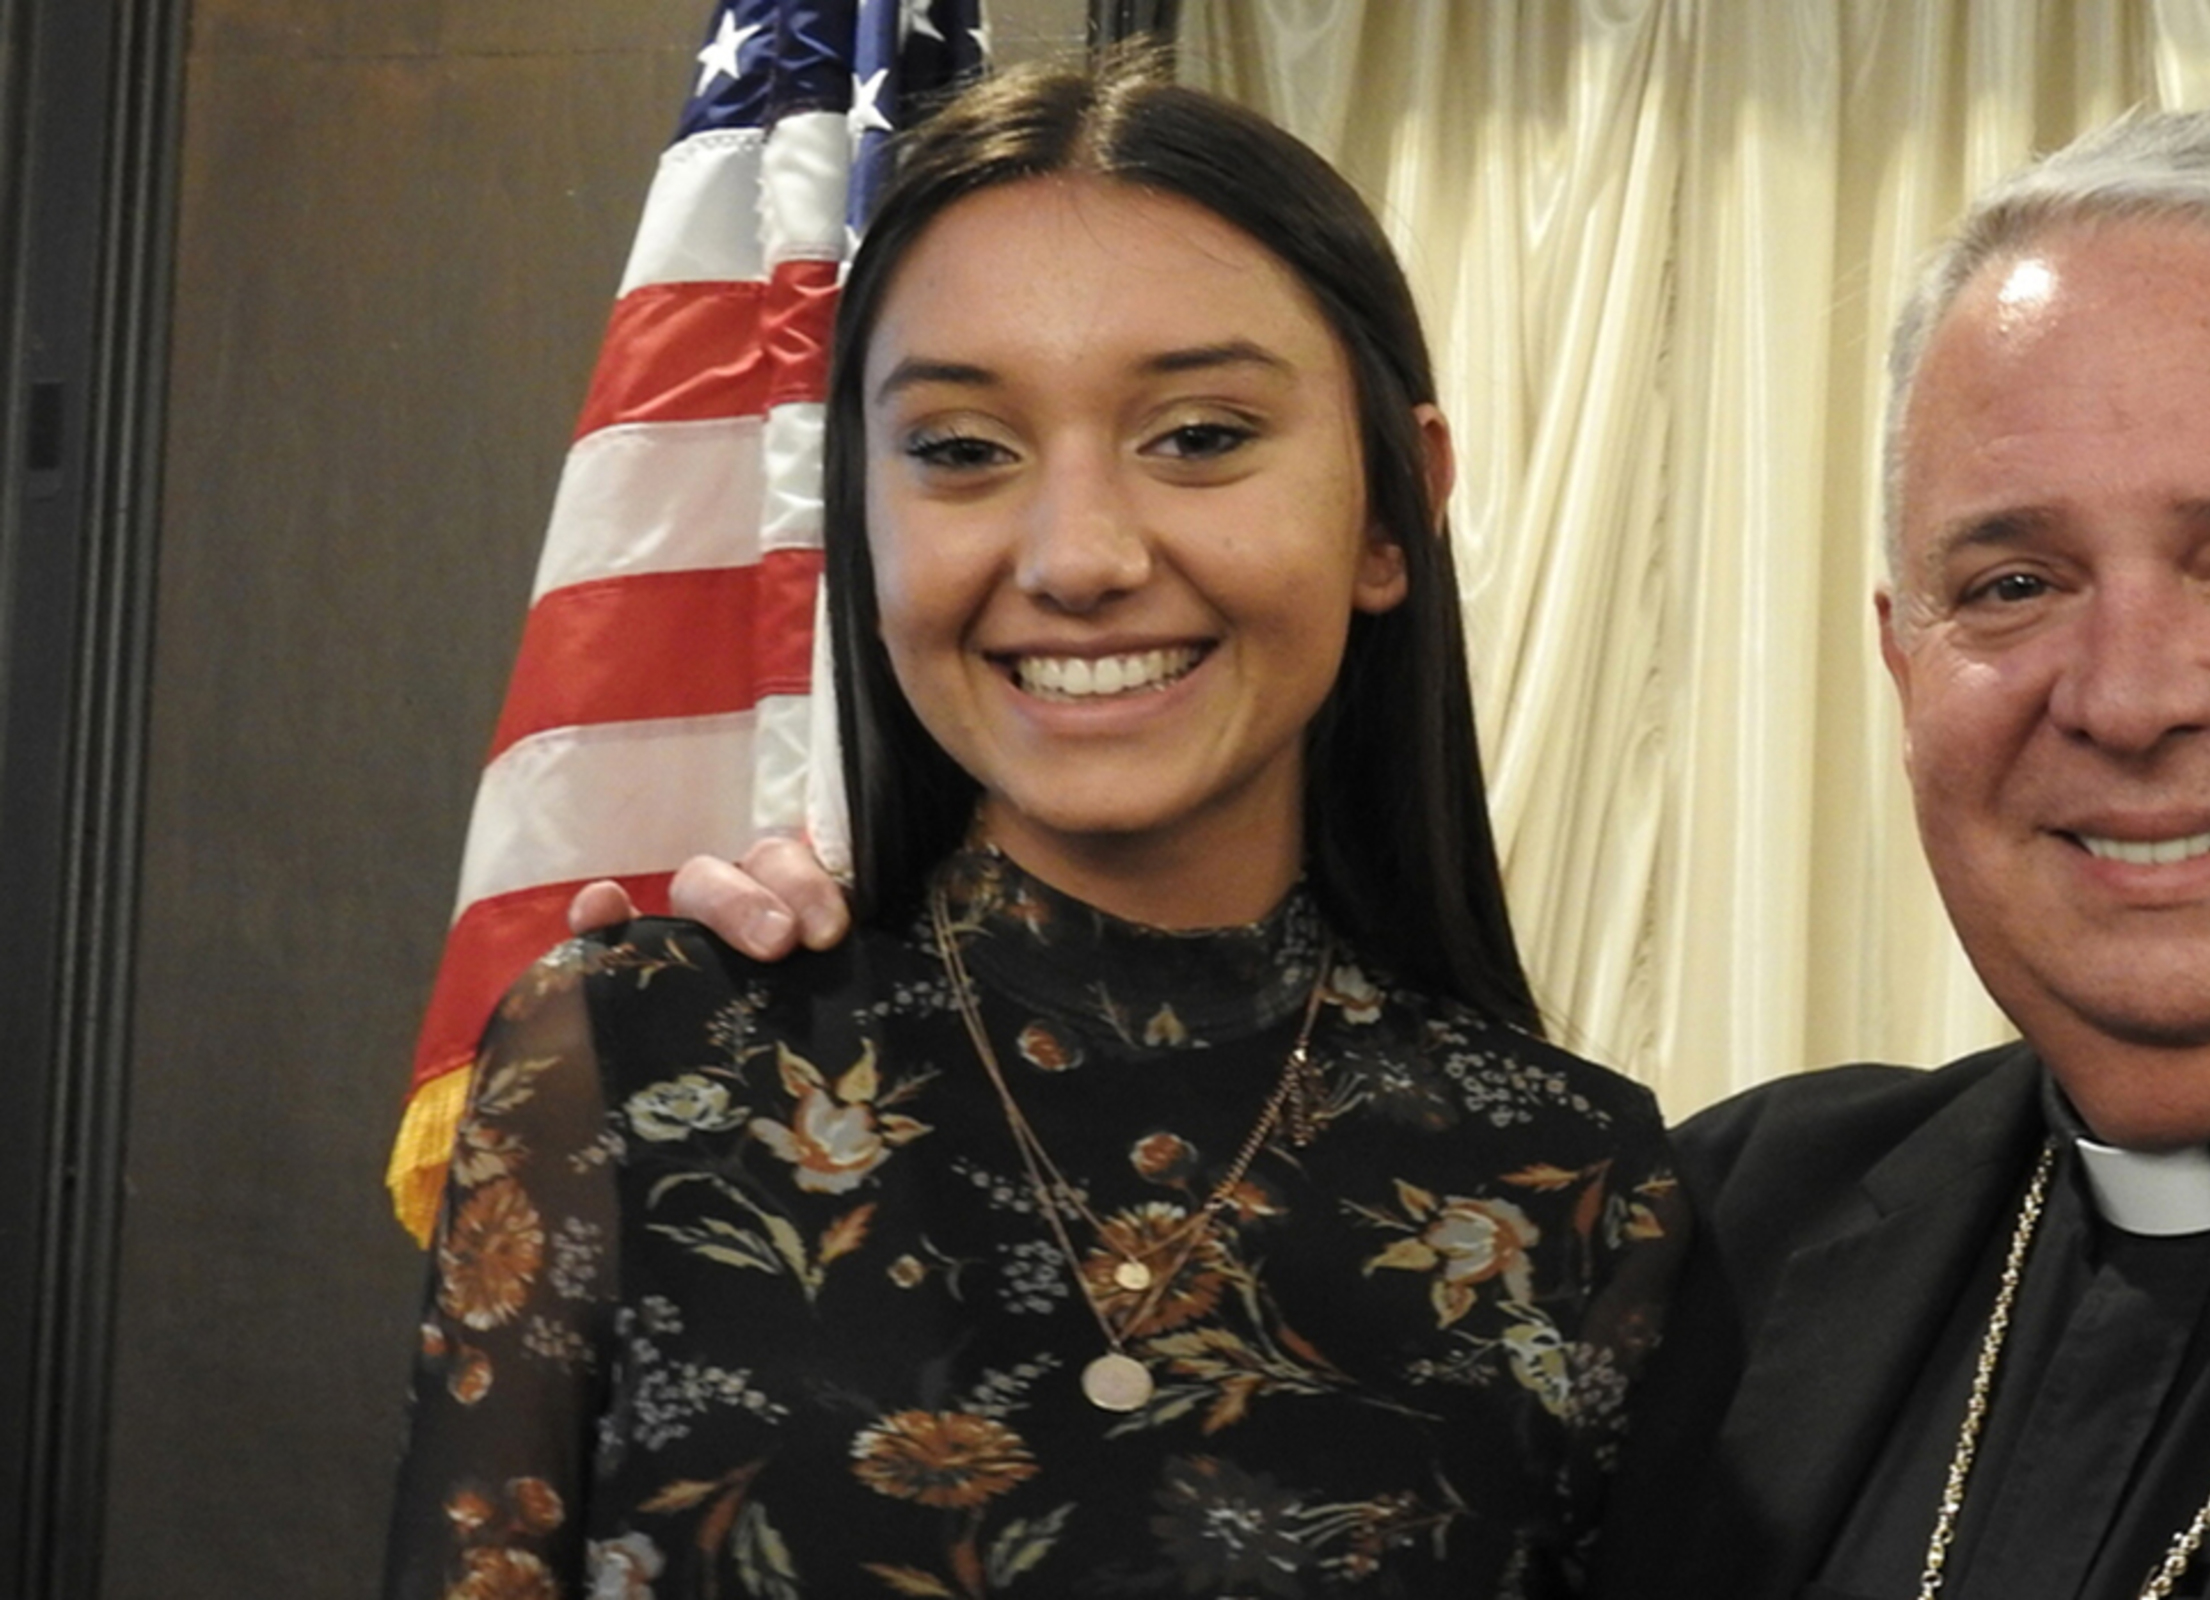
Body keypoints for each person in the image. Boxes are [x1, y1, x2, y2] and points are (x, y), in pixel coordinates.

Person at [636, 104, 2210, 1599]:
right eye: (2010, 581)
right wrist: (884, 1049)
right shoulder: (1724, 1232)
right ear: (1902, 663)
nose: (2132, 686)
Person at [386, 55, 1684, 1600]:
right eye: (961, 450)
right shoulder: (643, 1062)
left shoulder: (1573, 1186)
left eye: (1199, 435)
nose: (1078, 557)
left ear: (1393, 512)